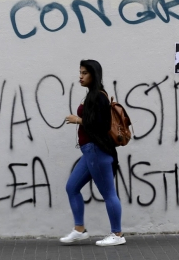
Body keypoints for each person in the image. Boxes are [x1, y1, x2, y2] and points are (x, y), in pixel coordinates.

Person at [60, 59, 125, 247]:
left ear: (93, 75)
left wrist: (77, 120)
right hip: (90, 152)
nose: (80, 77)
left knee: (108, 193)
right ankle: (79, 230)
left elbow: (102, 125)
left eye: (84, 73)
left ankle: (117, 234)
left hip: (97, 151)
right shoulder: (92, 95)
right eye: (79, 73)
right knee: (71, 187)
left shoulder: (99, 97)